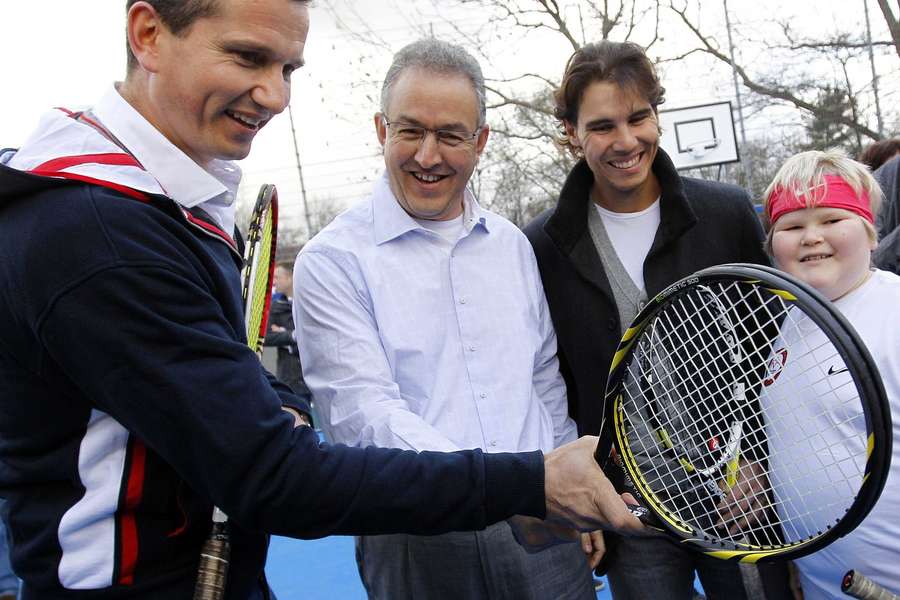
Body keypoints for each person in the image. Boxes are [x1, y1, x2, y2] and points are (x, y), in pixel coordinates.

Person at [0, 2, 646, 598]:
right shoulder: (108, 232)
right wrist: (527, 482)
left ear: (479, 142)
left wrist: (554, 474)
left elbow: (230, 396)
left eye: (287, 68)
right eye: (249, 58)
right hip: (417, 525)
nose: (276, 95)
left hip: (532, 517)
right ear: (148, 35)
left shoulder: (509, 243)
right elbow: (303, 453)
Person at [292, 38, 596, 599]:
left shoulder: (512, 246)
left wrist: (566, 481)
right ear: (382, 130)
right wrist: (506, 488)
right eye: (411, 131)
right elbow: (362, 413)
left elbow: (541, 377)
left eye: (451, 135)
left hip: (544, 524)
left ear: (479, 142)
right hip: (414, 536)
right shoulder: (331, 261)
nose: (428, 156)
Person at [524, 41, 789, 600]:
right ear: (571, 131)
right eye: (601, 126)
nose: (626, 141)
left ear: (657, 115)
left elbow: (775, 354)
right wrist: (580, 492)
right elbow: (549, 381)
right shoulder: (542, 245)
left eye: (638, 117)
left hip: (733, 492)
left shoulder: (725, 213)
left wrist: (759, 465)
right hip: (625, 504)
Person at [760, 149, 900, 599]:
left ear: (871, 233)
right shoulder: (794, 317)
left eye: (832, 219)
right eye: (793, 226)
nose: (810, 237)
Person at [263, 262, 311, 399]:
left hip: (314, 376)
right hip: (289, 380)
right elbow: (266, 337)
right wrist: (293, 336)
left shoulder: (308, 303)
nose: (274, 282)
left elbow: (315, 335)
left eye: (278, 277)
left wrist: (284, 333)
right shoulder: (276, 306)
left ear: (290, 278)